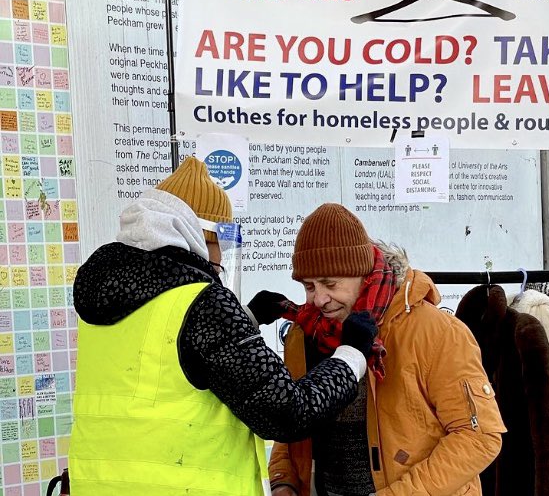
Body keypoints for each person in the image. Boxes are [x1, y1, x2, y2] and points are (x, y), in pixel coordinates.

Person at [69, 158, 377, 495]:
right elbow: (287, 412)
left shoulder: (108, 299)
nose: (217, 259)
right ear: (200, 234)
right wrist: (351, 355)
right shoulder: (204, 303)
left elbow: (169, 355)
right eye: (219, 243)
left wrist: (245, 317)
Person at [269, 203, 505, 496]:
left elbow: (479, 436)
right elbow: (292, 415)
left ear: (363, 274)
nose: (319, 299)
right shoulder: (303, 334)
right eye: (309, 286)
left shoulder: (436, 332)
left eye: (330, 284)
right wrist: (284, 479)